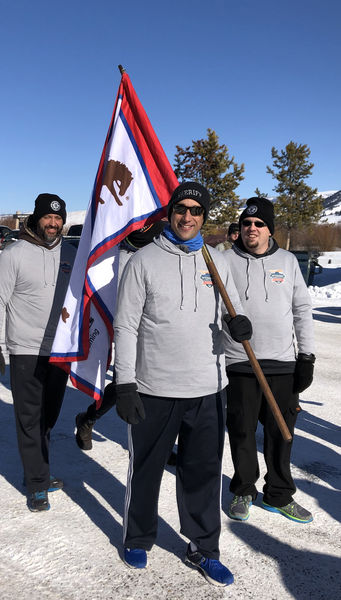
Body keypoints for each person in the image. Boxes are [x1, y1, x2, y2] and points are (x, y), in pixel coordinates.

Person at [113, 182, 252, 587]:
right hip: (155, 388)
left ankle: (204, 547)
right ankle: (138, 536)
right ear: (169, 212)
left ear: (205, 217)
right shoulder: (143, 261)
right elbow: (126, 325)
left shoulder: (217, 261)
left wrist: (239, 328)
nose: (187, 216)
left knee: (203, 473)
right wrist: (125, 383)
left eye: (195, 210)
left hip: (208, 387)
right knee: (146, 469)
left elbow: (233, 317)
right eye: (180, 208)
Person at [224, 197, 316, 524]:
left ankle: (278, 493)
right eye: (247, 223)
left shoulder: (289, 261)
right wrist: (226, 322)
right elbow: (212, 305)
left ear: (269, 229)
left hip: (282, 363)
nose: (252, 228)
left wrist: (306, 356)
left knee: (281, 431)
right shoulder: (224, 261)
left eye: (259, 224)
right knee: (242, 430)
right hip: (240, 363)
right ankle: (244, 489)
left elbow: (302, 310)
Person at [0, 193, 76, 512]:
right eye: (48, 218)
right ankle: (36, 483)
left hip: (60, 350)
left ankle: (40, 471)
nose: (53, 223)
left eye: (59, 218)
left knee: (48, 417)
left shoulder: (71, 253)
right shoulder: (15, 253)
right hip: (25, 350)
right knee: (29, 419)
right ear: (36, 219)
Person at [74, 220, 166, 451]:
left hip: (162, 333)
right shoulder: (117, 259)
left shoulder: (163, 254)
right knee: (125, 386)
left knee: (163, 390)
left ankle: (158, 444)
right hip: (130, 332)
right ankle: (89, 419)